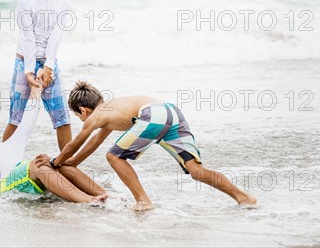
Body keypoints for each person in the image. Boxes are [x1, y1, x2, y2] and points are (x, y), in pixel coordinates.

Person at [36, 81, 257, 211]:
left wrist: (55, 162)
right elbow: (94, 143)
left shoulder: (98, 115)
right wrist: (71, 164)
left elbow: (76, 142)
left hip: (152, 116)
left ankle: (143, 201)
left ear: (83, 110)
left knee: (114, 157)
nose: (82, 121)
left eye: (78, 117)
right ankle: (243, 197)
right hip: (171, 112)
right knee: (196, 171)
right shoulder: (111, 112)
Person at [2, 0, 72, 150]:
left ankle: (67, 164)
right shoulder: (25, 0)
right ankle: (3, 162)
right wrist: (29, 71)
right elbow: (27, 37)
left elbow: (56, 38)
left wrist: (48, 67)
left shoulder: (63, 4)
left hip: (50, 64)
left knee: (62, 117)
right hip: (24, 62)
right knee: (16, 117)